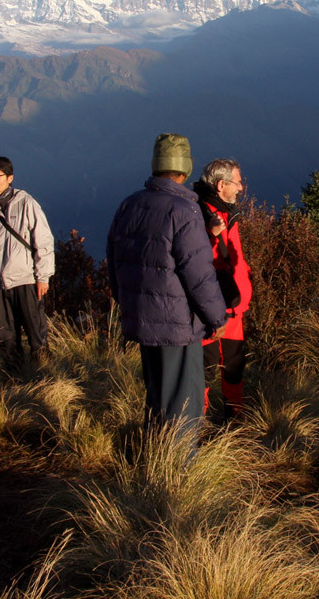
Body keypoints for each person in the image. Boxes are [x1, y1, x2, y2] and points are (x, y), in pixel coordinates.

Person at [106, 133, 227, 437]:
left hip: (143, 319)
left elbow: (114, 260)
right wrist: (217, 317)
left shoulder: (129, 205)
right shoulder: (184, 211)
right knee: (183, 401)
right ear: (185, 169)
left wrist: (126, 302)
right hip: (177, 323)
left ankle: (154, 457)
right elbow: (198, 274)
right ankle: (178, 472)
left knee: (156, 397)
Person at [192, 159, 252, 418]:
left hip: (233, 303)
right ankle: (199, 423)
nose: (240, 188)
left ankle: (233, 420)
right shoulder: (200, 214)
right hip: (213, 302)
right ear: (221, 185)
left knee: (234, 364)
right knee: (205, 365)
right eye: (237, 183)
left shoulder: (225, 212)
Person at [0, 157, 55, 362]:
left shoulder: (26, 203)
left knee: (36, 333)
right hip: (1, 284)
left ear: (10, 178)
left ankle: (42, 373)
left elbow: (43, 241)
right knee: (7, 336)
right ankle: (12, 377)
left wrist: (43, 277)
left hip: (27, 280)